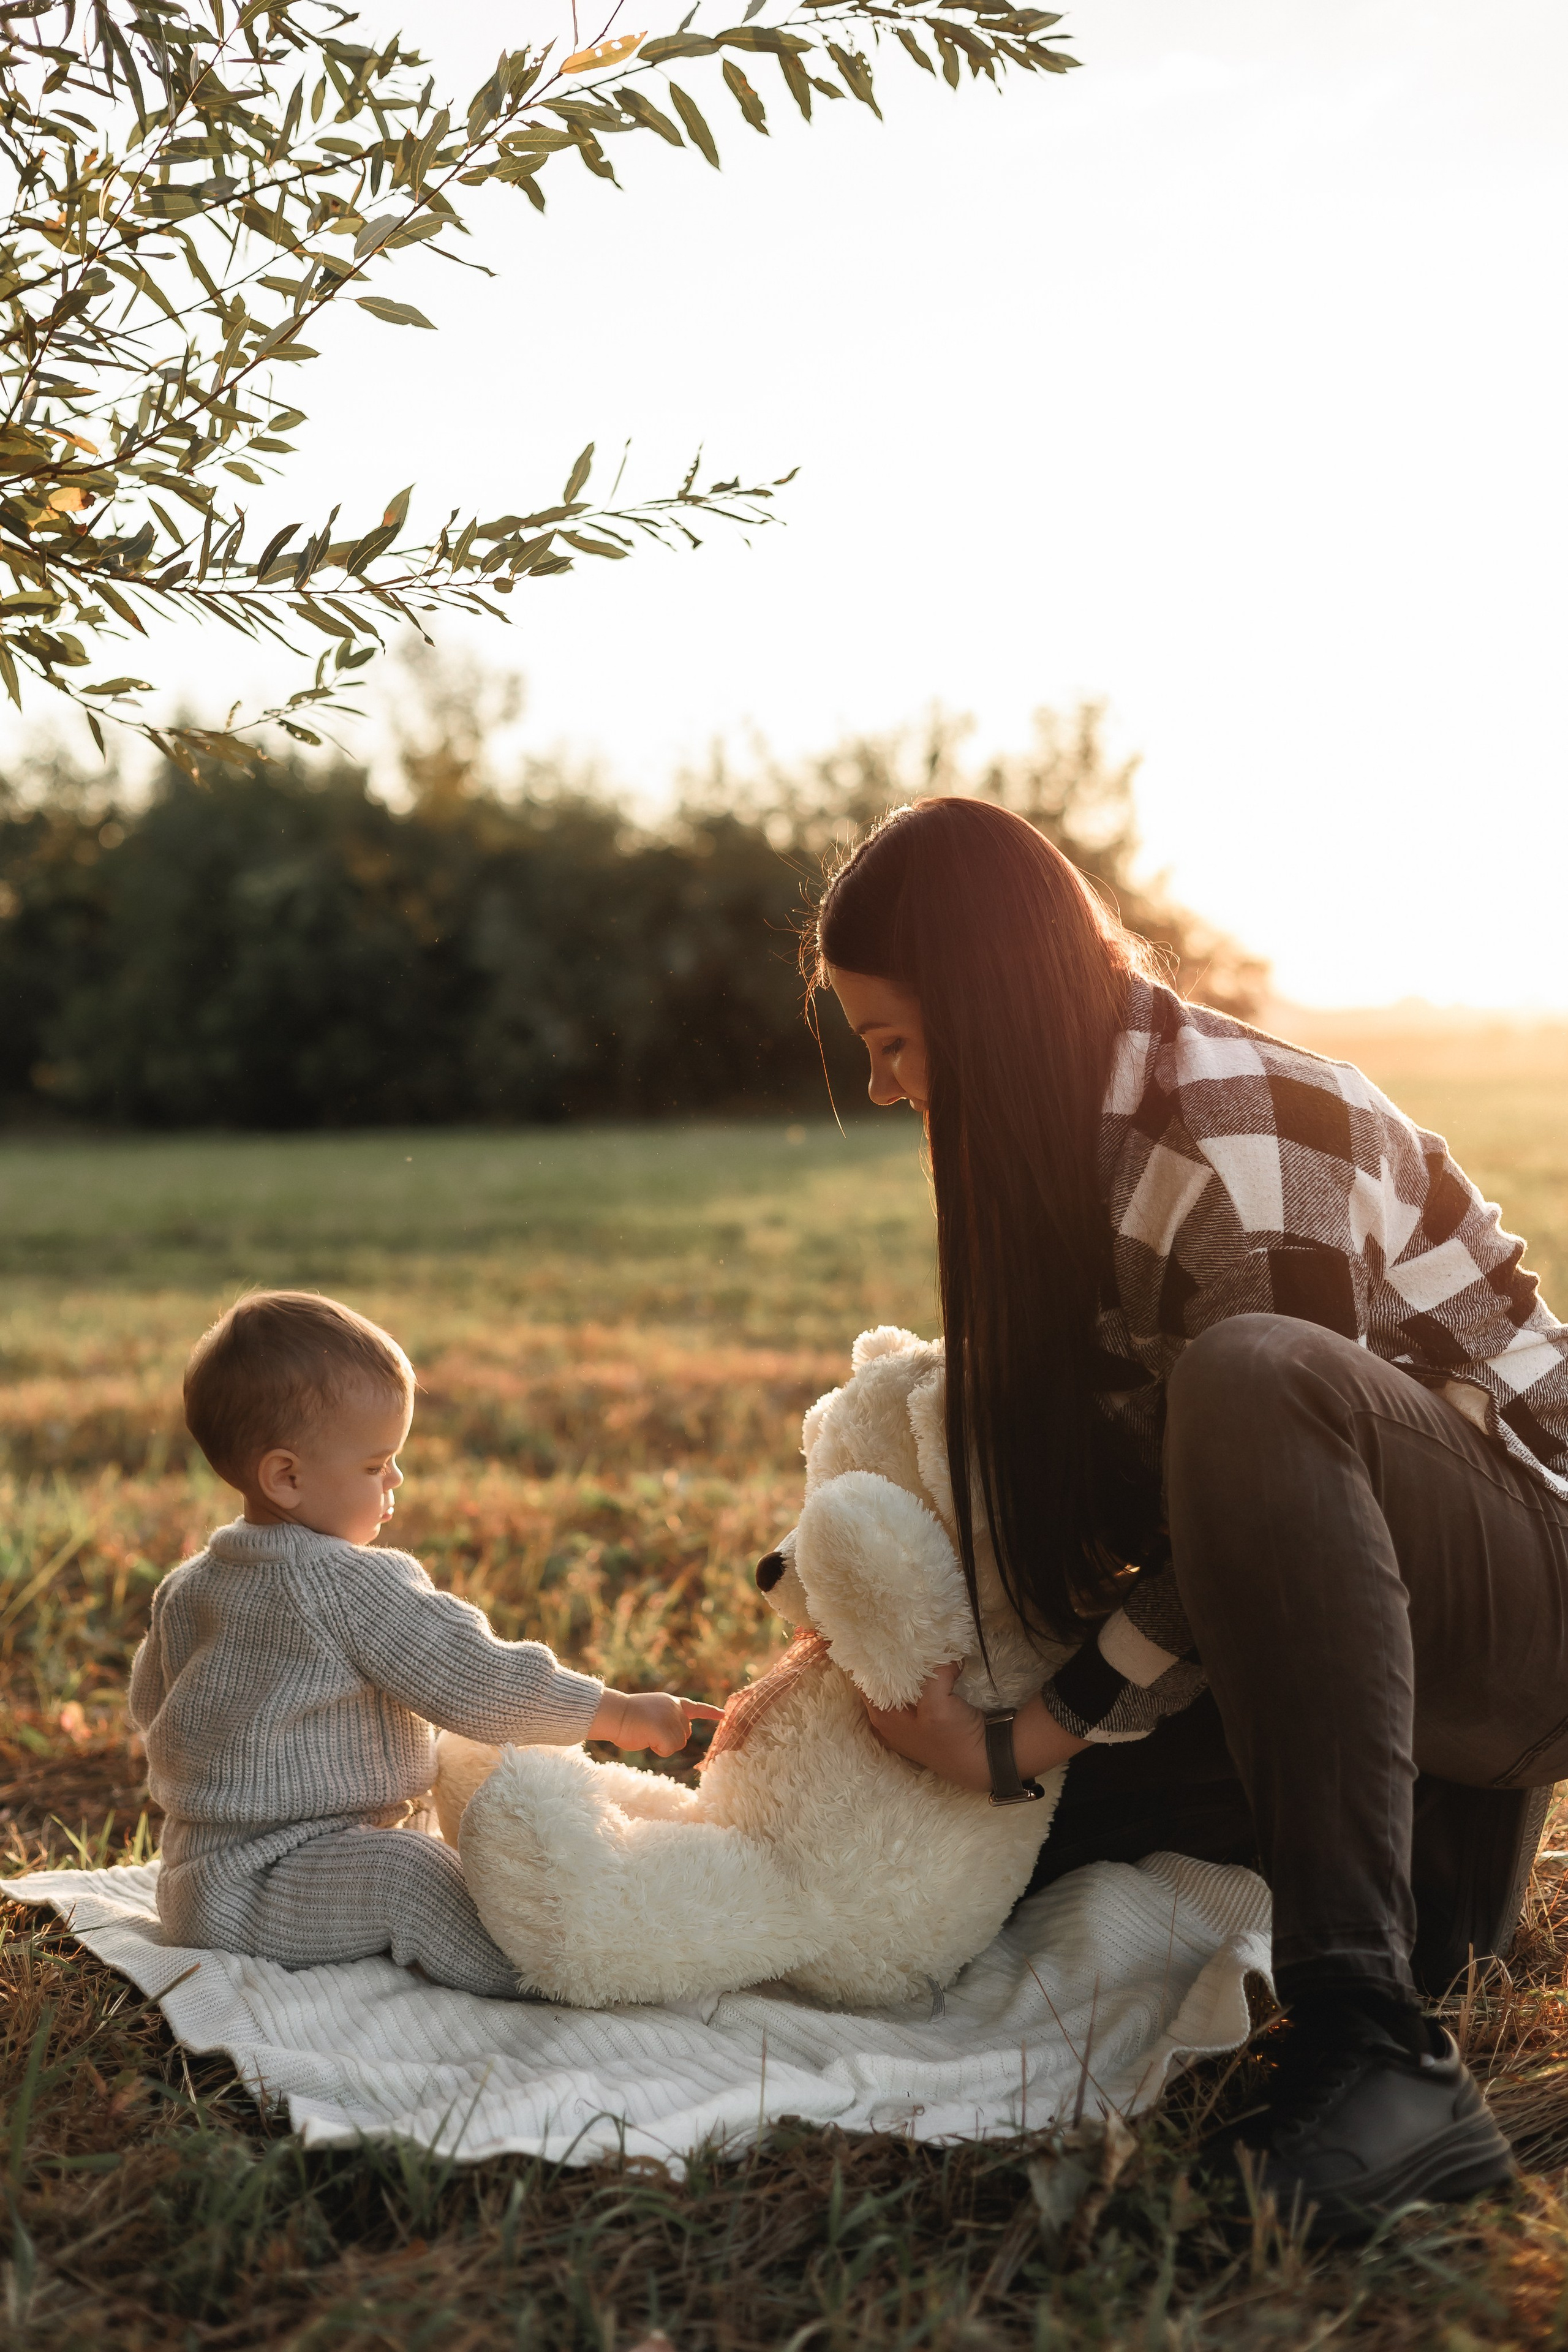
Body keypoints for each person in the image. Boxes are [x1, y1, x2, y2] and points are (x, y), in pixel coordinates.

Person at [808, 794, 1568, 2234]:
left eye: (895, 1043)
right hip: (1405, 1647)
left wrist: (1031, 1730)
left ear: (987, 1007)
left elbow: (1263, 1464)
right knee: (996, 1845)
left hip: (1531, 1600)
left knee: (1254, 1377)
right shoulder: (1079, 1151)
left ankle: (1372, 2055)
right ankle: (1411, 1901)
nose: (891, 1090)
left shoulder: (1230, 1125)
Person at [129, 1290, 720, 1997]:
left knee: (428, 1836)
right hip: (273, 1881)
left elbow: (151, 1704)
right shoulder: (348, 1585)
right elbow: (478, 1681)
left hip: (199, 1872)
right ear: (286, 1477)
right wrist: (616, 1713)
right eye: (377, 1465)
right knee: (413, 1876)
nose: (395, 1481)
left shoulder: (191, 1584)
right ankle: (554, 1974)